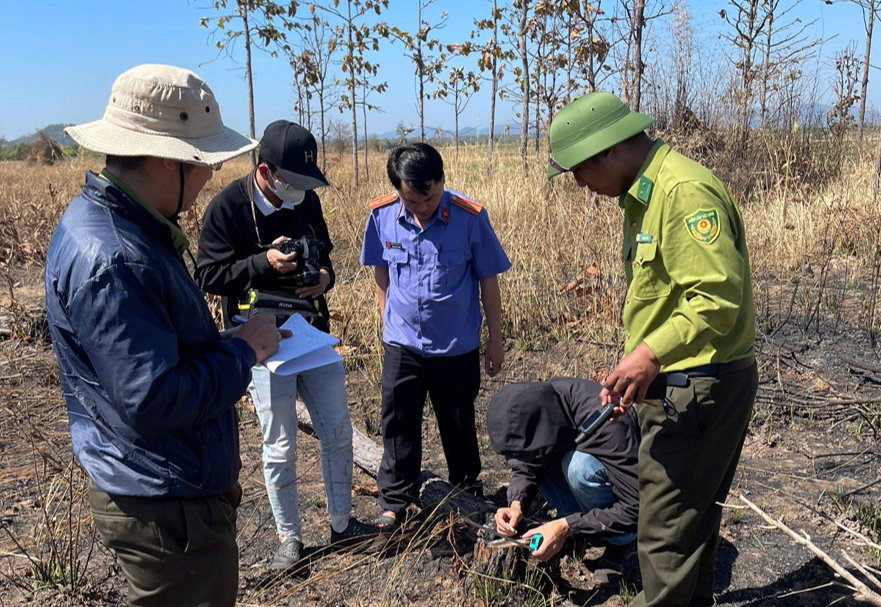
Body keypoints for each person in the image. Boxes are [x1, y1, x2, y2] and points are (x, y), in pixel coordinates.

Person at [45, 64, 284, 607]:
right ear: (162, 159)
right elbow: (154, 399)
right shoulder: (115, 255)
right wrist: (245, 350)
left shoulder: (120, 226)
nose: (205, 180)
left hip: (162, 485)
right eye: (200, 164)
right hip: (166, 500)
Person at [547, 92, 758, 607]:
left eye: (578, 170)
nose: (579, 183)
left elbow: (717, 296)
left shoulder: (682, 192)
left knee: (663, 536)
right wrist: (642, 370)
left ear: (608, 151)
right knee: (690, 522)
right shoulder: (645, 196)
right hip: (678, 386)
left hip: (699, 389)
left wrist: (651, 354)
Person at [195, 120, 378, 570]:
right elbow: (207, 275)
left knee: (337, 430)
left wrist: (324, 279)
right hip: (260, 342)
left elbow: (327, 256)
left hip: (310, 333)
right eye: (291, 182)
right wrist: (262, 262)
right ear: (264, 171)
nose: (299, 192)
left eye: (305, 183)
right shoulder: (228, 207)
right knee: (279, 445)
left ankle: (342, 524)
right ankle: (289, 539)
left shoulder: (306, 201)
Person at [360, 142, 511, 528]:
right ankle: (394, 501)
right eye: (410, 200)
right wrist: (385, 319)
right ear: (398, 189)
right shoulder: (382, 217)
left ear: (442, 180)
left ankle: (465, 491)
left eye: (427, 197)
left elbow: (488, 282)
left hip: (455, 345)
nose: (421, 207)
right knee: (397, 422)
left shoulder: (469, 217)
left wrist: (495, 340)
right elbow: (380, 270)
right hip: (403, 343)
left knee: (459, 422)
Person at [486, 378, 639, 586]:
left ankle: (621, 543)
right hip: (586, 488)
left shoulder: (608, 420)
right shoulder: (537, 408)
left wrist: (567, 526)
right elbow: (526, 463)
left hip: (626, 504)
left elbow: (636, 507)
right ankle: (577, 528)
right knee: (548, 464)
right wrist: (516, 503)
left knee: (578, 467)